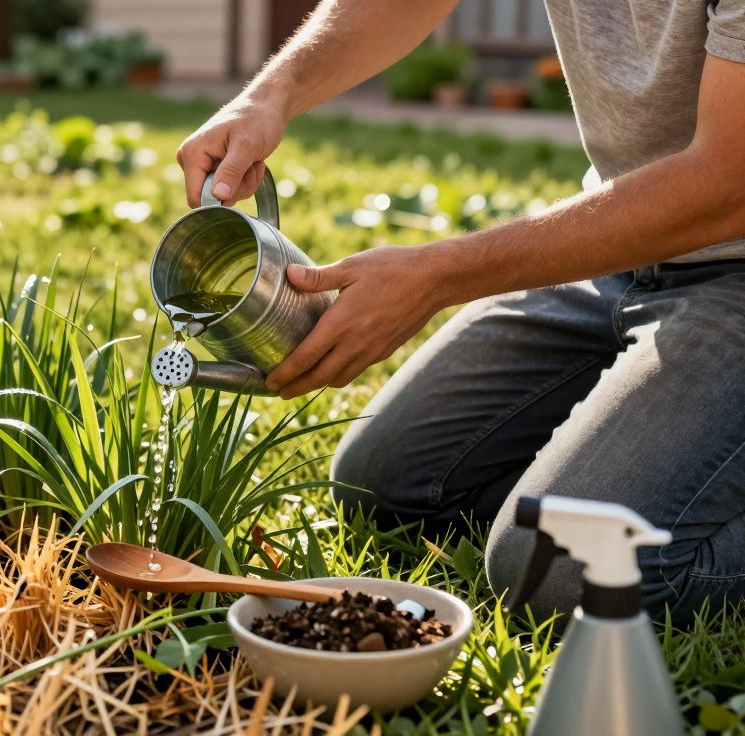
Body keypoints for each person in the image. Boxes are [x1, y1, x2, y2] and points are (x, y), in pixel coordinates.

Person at [177, 0, 745, 625]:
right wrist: (271, 94)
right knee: (383, 484)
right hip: (621, 249)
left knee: (562, 573)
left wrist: (438, 275)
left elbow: (727, 185)